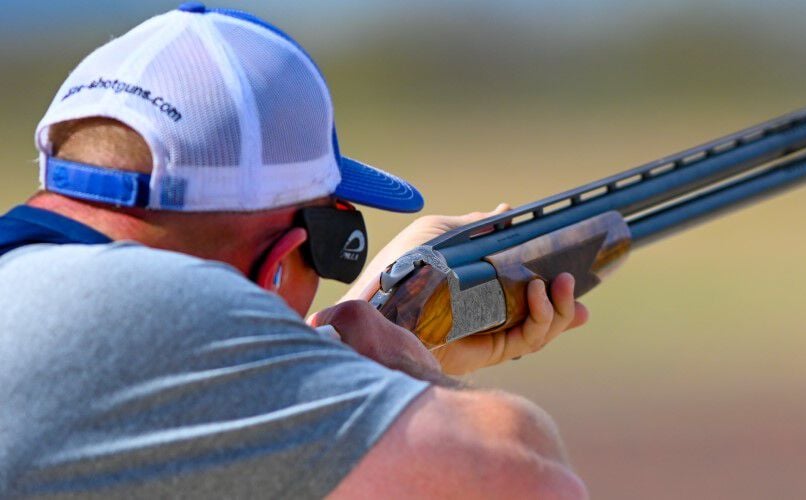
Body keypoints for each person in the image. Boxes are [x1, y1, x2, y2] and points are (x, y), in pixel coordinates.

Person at [0, 4, 589, 498]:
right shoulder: (160, 308)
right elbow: (525, 476)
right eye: (334, 248)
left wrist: (355, 347)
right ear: (281, 256)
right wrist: (411, 379)